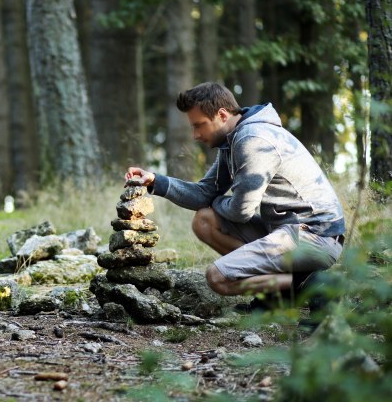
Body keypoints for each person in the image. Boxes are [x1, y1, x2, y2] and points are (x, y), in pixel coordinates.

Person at [126, 82, 345, 310]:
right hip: (285, 232)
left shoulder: (252, 139)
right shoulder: (233, 139)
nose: (195, 135)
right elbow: (205, 194)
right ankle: (281, 295)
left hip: (315, 237)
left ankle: (312, 284)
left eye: (200, 125)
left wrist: (217, 201)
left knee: (218, 277)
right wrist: (156, 181)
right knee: (205, 220)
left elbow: (241, 211)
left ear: (222, 115)